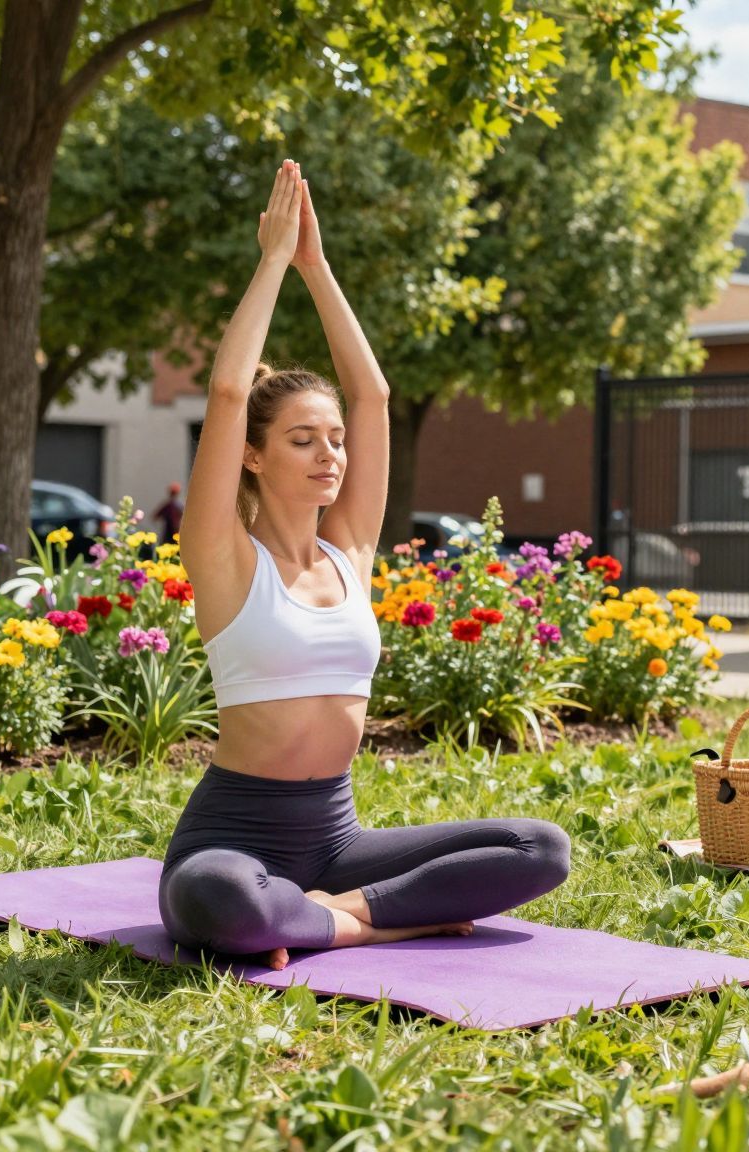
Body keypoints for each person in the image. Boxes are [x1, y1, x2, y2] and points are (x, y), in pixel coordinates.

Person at [161, 160, 570, 970]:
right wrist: (274, 259)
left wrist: (319, 267)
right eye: (304, 439)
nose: (329, 454)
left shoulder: (349, 550)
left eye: (335, 440)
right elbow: (229, 390)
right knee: (223, 902)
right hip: (235, 839)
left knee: (540, 847)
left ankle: (330, 918)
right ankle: (377, 921)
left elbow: (373, 394)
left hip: (339, 843)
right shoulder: (226, 558)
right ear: (252, 457)